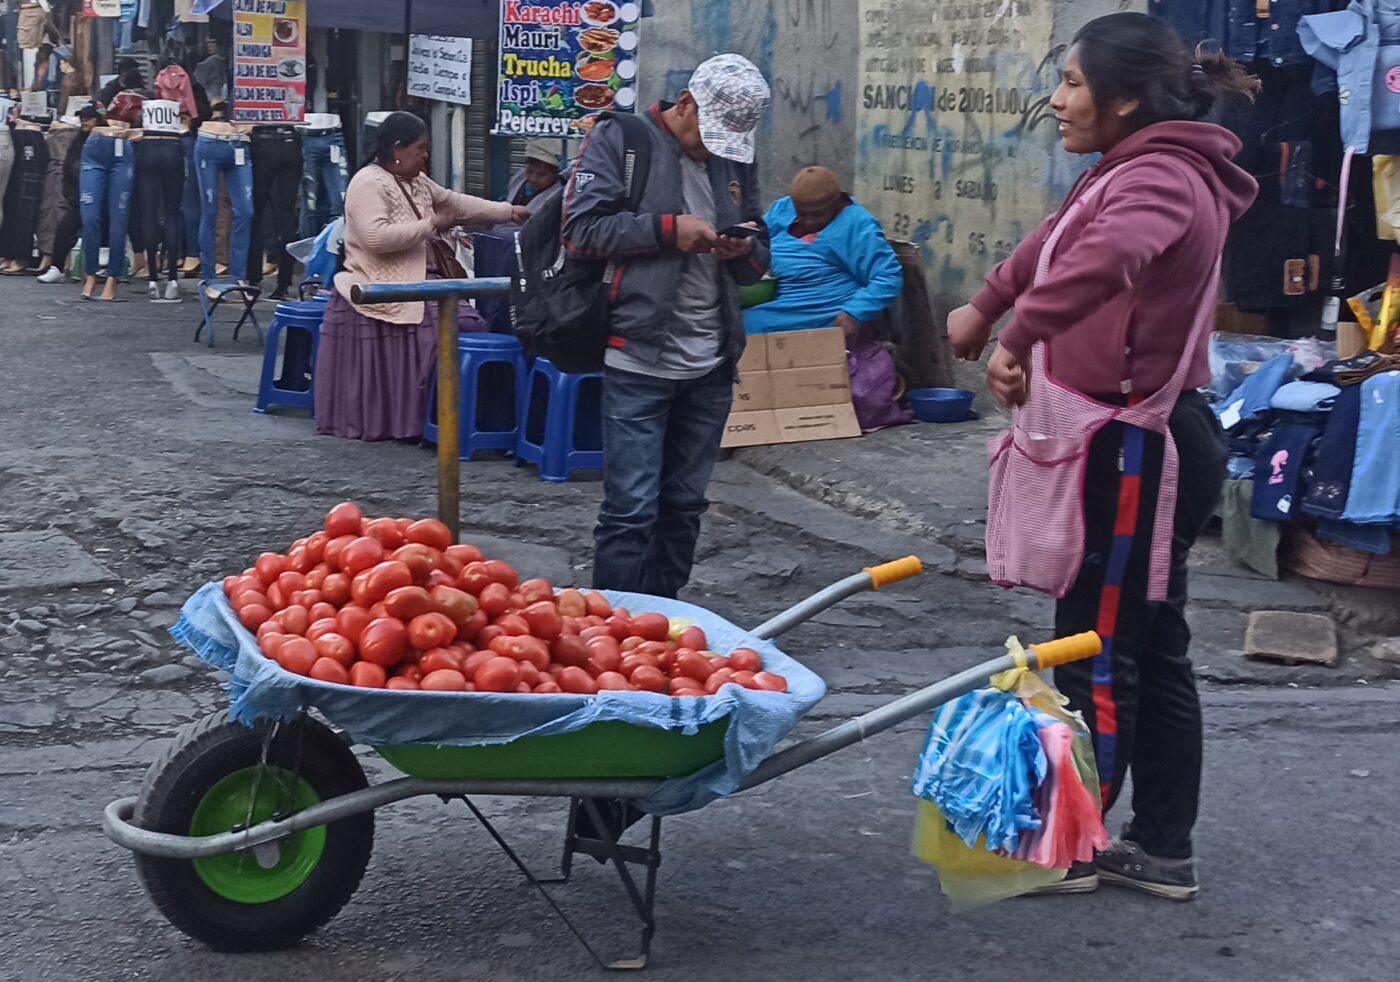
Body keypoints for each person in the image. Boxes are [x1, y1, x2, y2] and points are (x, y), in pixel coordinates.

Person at [947, 12, 1259, 900]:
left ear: (1124, 99)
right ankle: (1160, 847)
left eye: (1074, 83)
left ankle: (1078, 843)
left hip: (1138, 452)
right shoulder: (1129, 168)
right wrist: (987, 301)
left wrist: (1018, 333)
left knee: (1100, 652)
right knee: (1143, 649)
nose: (1058, 99)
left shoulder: (1162, 177)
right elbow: (1058, 240)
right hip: (1129, 446)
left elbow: (1108, 258)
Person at [562, 54, 772, 598]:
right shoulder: (623, 138)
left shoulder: (733, 159)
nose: (714, 152)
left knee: (684, 506)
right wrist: (667, 231)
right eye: (708, 137)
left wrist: (743, 248)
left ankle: (666, 622)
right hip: (639, 357)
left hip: (712, 362)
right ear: (685, 104)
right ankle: (612, 628)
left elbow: (760, 247)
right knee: (630, 509)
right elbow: (581, 230)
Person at [317, 111, 529, 441]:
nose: (426, 155)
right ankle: (433, 421)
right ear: (398, 149)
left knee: (469, 324)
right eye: (420, 148)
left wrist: (508, 211)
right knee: (450, 331)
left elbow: (455, 202)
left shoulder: (417, 181)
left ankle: (461, 419)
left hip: (425, 281)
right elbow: (376, 237)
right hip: (382, 283)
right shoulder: (367, 183)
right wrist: (432, 225)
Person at [743, 166, 902, 338]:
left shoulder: (857, 225)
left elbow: (888, 275)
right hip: (778, 296)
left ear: (837, 203)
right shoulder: (783, 208)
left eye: (817, 215)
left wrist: (854, 313)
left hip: (821, 310)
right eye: (801, 215)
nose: (808, 221)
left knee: (745, 326)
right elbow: (759, 239)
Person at [35, 104, 100, 284]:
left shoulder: (104, 140)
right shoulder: (77, 142)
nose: (84, 122)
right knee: (64, 228)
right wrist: (72, 196)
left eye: (88, 118)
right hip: (79, 197)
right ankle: (57, 267)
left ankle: (100, 270)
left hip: (101, 198)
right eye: (82, 118)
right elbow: (67, 171)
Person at [505, 139, 563, 209]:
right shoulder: (519, 179)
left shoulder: (559, 196)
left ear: (555, 173)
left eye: (541, 174)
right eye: (529, 171)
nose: (533, 179)